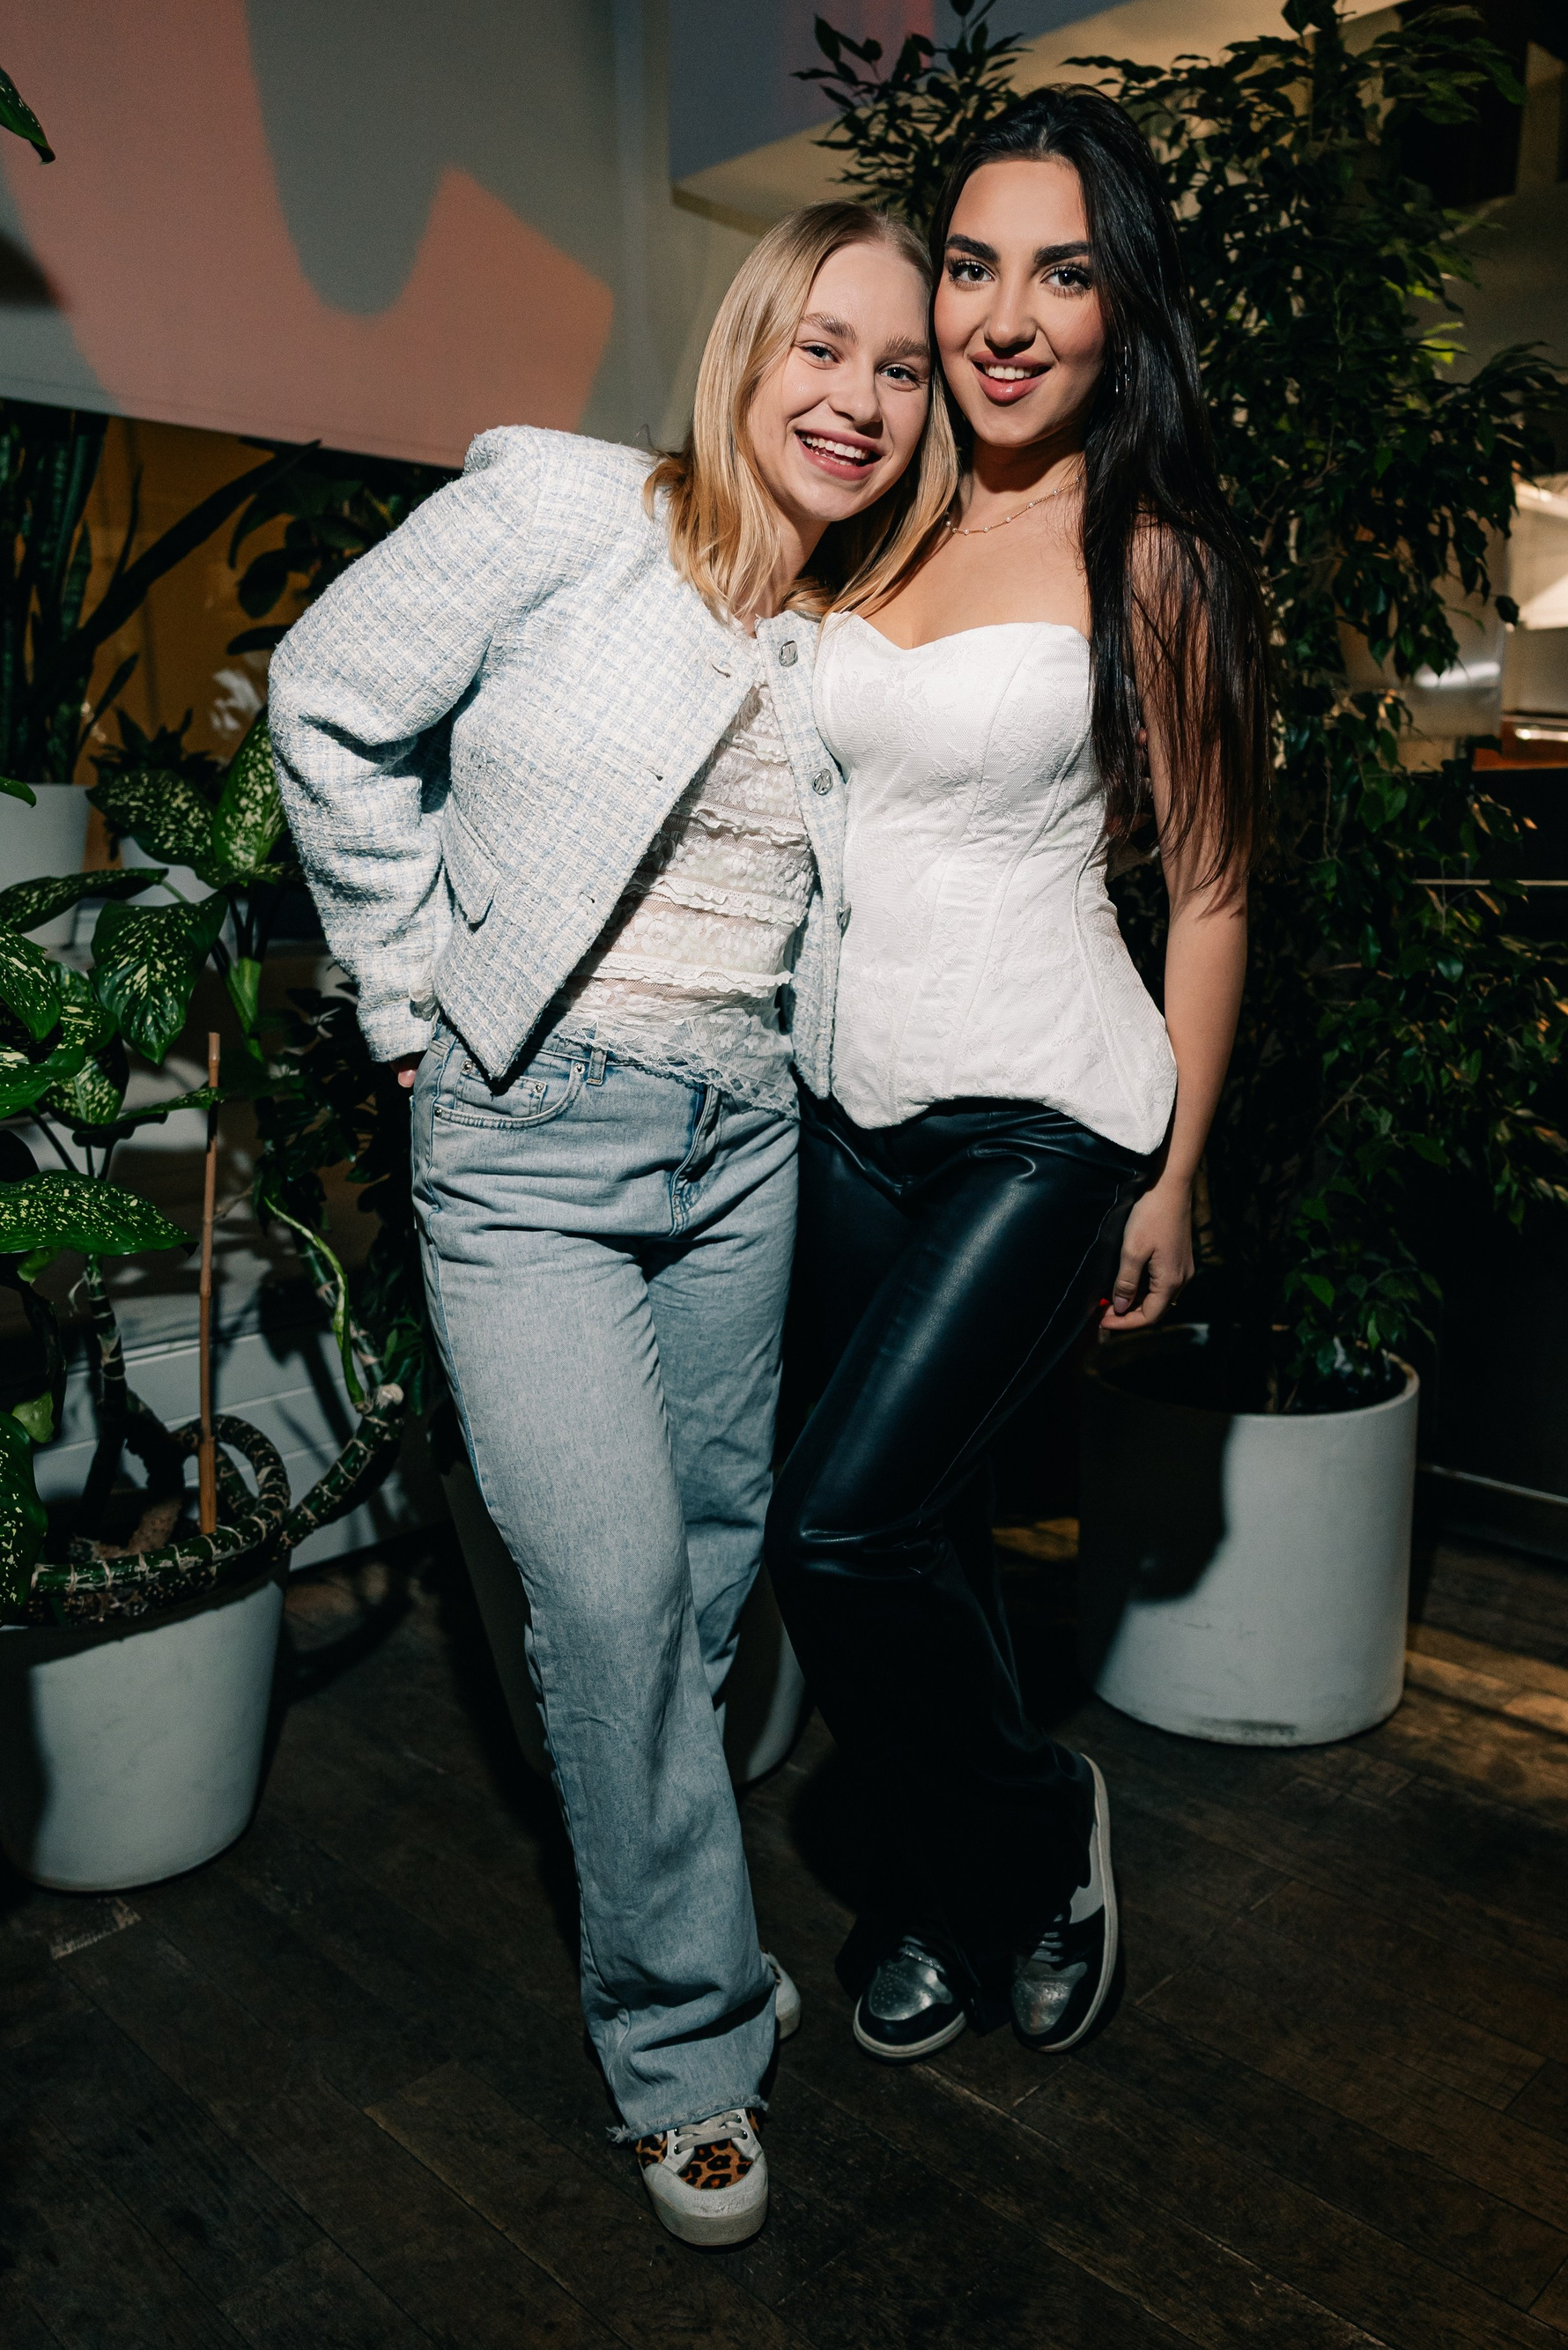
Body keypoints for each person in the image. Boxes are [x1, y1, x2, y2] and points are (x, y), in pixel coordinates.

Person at [270, 201, 954, 2247]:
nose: (860, 398)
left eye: (902, 370)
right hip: (529, 1146)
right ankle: (685, 2044)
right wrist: (409, 999)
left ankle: (690, 1914)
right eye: (826, 346)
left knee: (713, 1569)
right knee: (611, 1589)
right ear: (749, 344)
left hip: (745, 1144)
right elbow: (327, 695)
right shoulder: (567, 512)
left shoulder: (851, 634)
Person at [766, 89, 1271, 2063]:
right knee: (928, 1534)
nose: (1003, 316)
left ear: (1119, 306)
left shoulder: (1156, 558)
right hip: (843, 1113)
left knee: (838, 1528)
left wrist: (1177, 1173)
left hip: (1045, 1116)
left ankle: (1036, 1828)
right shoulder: (877, 507)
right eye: (972, 265)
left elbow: (1210, 893)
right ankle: (933, 1877)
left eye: (1061, 274)